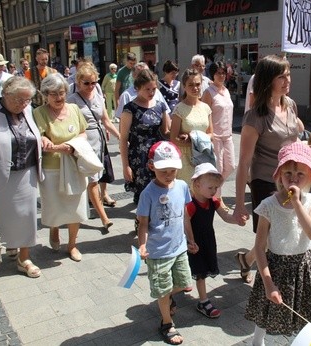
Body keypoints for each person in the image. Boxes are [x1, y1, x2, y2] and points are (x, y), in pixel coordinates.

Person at [245, 142, 311, 345]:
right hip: (277, 266)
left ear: (309, 177)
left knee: (310, 312)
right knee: (267, 309)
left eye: (299, 174)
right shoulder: (268, 206)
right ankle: (257, 341)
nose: (293, 178)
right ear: (279, 175)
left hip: (305, 265)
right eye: (288, 173)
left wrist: (296, 203)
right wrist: (268, 283)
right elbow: (260, 247)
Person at [233, 55, 305, 283]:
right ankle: (273, 287)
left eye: (288, 74)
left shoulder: (290, 104)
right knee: (272, 237)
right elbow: (244, 162)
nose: (287, 80)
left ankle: (246, 260)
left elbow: (294, 135)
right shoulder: (255, 117)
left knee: (278, 234)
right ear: (267, 80)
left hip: (291, 180)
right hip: (265, 181)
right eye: (281, 76)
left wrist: (308, 147)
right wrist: (237, 204)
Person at [0, 77, 43, 278]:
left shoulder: (27, 110)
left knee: (27, 217)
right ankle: (12, 245)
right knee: (5, 217)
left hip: (27, 173)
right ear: (5, 95)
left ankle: (25, 257)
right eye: (19, 100)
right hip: (0, 174)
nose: (23, 104)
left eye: (27, 100)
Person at [137, 141, 197, 345]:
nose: (169, 174)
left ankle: (166, 297)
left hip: (179, 247)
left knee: (184, 283)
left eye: (173, 170)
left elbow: (185, 217)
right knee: (162, 289)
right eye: (164, 170)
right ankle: (166, 323)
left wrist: (191, 239)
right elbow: (143, 223)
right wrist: (143, 245)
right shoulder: (148, 193)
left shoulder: (181, 186)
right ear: (152, 166)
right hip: (158, 251)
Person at [33, 73, 88, 262]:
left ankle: (72, 245)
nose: (58, 97)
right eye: (53, 94)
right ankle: (54, 228)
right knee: (55, 206)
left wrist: (72, 146)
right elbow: (39, 136)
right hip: (52, 167)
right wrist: (45, 139)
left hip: (74, 164)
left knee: (76, 206)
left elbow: (83, 133)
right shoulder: (39, 112)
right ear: (45, 94)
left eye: (62, 93)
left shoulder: (74, 108)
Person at [67, 62, 120, 231]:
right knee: (92, 181)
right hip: (82, 142)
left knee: (94, 179)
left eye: (94, 82)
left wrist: (120, 137)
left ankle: (79, 212)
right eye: (86, 83)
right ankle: (104, 218)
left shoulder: (97, 95)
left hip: (98, 141)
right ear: (78, 82)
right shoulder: (72, 100)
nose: (91, 86)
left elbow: (105, 120)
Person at [187, 163, 242, 319]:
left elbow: (225, 216)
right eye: (210, 188)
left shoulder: (214, 201)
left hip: (207, 241)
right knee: (198, 271)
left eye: (216, 188)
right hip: (193, 243)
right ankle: (202, 301)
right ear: (197, 184)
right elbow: (185, 223)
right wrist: (190, 241)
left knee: (201, 271)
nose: (214, 191)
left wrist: (237, 220)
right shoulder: (191, 204)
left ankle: (201, 299)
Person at [119, 68, 170, 206]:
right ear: (137, 88)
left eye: (153, 89)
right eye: (147, 89)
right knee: (143, 196)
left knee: (160, 191)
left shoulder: (160, 106)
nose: (151, 93)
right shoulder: (130, 108)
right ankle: (141, 224)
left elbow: (166, 131)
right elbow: (123, 139)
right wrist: (125, 166)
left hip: (158, 155)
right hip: (139, 157)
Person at [170, 68, 213, 184]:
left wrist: (196, 139)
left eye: (198, 84)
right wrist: (189, 141)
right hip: (186, 159)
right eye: (191, 85)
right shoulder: (179, 109)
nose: (195, 88)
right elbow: (173, 138)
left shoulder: (206, 108)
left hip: (203, 156)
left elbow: (211, 133)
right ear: (184, 86)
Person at [201, 61, 235, 198]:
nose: (221, 76)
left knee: (231, 166)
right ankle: (218, 200)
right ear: (212, 74)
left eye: (223, 73)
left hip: (228, 135)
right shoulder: (209, 92)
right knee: (218, 168)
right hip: (215, 136)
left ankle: (213, 190)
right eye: (218, 73)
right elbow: (204, 114)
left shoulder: (226, 91)